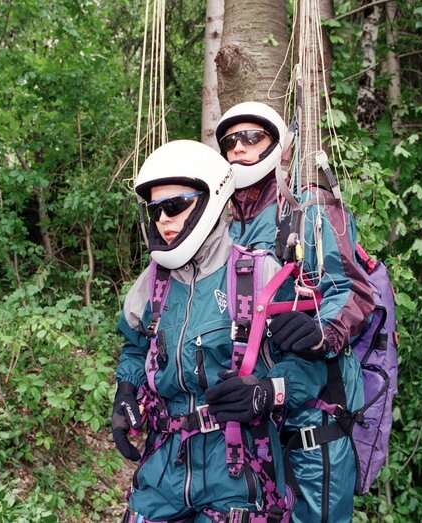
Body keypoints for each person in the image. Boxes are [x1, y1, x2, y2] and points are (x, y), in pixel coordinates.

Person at [112, 140, 325, 522]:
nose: (163, 219)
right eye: (156, 209)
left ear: (211, 200)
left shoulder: (261, 275)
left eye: (174, 205)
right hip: (163, 467)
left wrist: (267, 392)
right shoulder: (150, 284)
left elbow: (311, 367)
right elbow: (135, 346)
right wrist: (125, 390)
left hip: (239, 471)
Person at [216, 102, 376, 523]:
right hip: (253, 420)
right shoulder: (221, 225)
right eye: (230, 140)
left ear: (278, 147)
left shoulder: (310, 208)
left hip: (314, 421)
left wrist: (319, 332)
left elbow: (354, 289)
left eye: (252, 138)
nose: (239, 148)